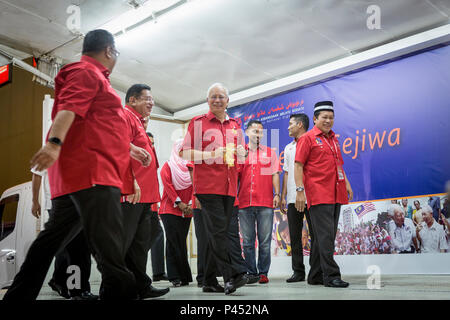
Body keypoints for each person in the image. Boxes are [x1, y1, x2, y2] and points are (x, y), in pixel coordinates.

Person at [3, 29, 151, 301]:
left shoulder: (94, 78)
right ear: (109, 51)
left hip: (78, 178)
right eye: (115, 53)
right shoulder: (87, 72)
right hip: (92, 174)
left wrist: (130, 148)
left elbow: (97, 126)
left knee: (48, 244)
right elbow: (68, 108)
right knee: (111, 251)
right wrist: (54, 142)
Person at [180, 83, 248, 295]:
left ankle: (209, 280)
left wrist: (241, 151)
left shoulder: (235, 125)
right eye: (213, 97)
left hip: (229, 188)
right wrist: (210, 155)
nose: (217, 100)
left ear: (228, 100)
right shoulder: (198, 123)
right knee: (220, 232)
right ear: (207, 101)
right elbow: (185, 153)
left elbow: (244, 156)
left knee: (215, 234)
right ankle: (233, 275)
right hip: (208, 186)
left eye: (221, 97)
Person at [294, 100, 353, 288]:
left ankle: (316, 275)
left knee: (323, 237)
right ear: (315, 119)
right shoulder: (307, 138)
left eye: (331, 117)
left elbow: (339, 165)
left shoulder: (334, 139)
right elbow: (298, 165)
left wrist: (347, 185)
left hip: (337, 192)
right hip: (319, 194)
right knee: (326, 237)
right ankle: (331, 276)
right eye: (324, 117)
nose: (328, 120)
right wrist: (300, 191)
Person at [121, 84, 169, 299]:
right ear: (132, 100)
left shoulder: (138, 122)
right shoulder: (125, 116)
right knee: (125, 244)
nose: (151, 103)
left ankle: (141, 286)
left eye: (152, 99)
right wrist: (131, 182)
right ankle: (114, 289)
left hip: (146, 197)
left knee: (140, 245)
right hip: (132, 194)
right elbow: (119, 149)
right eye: (146, 99)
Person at [31, 169, 96, 300]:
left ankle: (59, 280)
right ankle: (78, 290)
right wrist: (35, 201)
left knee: (72, 246)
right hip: (59, 203)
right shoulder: (50, 148)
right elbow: (36, 174)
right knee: (76, 248)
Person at [237, 120, 280, 284]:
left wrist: (277, 194)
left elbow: (275, 174)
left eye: (260, 132)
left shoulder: (270, 152)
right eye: (255, 131)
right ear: (247, 132)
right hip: (244, 203)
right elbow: (236, 176)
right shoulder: (241, 153)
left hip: (265, 203)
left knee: (264, 241)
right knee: (247, 242)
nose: (258, 134)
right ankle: (251, 272)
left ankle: (263, 272)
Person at [280, 113, 313, 283]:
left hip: (312, 197)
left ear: (300, 124)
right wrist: (283, 195)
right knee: (294, 236)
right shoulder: (288, 148)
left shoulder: (312, 142)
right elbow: (286, 172)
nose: (288, 127)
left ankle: (316, 271)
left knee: (315, 235)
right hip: (293, 197)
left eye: (291, 124)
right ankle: (298, 272)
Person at [159, 140, 193, 287]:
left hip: (187, 210)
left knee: (181, 241)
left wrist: (191, 203)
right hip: (170, 209)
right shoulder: (168, 165)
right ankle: (175, 276)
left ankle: (184, 276)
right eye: (182, 150)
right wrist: (179, 202)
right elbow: (167, 185)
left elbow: (196, 185)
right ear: (176, 150)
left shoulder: (191, 166)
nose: (184, 153)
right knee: (173, 242)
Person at [146, 132, 168, 282]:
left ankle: (158, 272)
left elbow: (153, 184)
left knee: (158, 235)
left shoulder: (152, 160)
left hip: (152, 205)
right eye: (149, 143)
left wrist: (156, 205)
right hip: (137, 204)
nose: (151, 146)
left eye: (153, 143)